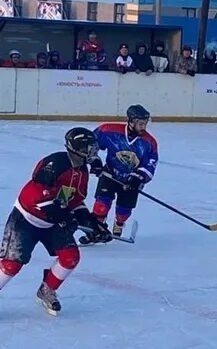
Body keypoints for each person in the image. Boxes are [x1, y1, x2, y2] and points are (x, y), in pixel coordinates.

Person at [0, 128, 110, 315]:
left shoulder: (81, 171)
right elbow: (41, 201)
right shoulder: (55, 165)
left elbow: (73, 200)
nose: (94, 153)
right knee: (12, 265)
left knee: (70, 257)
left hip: (53, 222)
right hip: (26, 219)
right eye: (90, 149)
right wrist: (67, 218)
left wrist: (91, 222)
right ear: (78, 149)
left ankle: (47, 290)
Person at [79, 105, 158, 244]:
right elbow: (90, 144)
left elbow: (150, 164)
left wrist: (137, 178)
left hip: (131, 181)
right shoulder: (109, 131)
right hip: (110, 174)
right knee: (101, 206)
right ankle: (95, 231)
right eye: (140, 123)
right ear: (130, 121)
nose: (143, 127)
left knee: (123, 212)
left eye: (145, 123)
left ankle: (119, 223)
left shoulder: (149, 142)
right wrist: (95, 161)